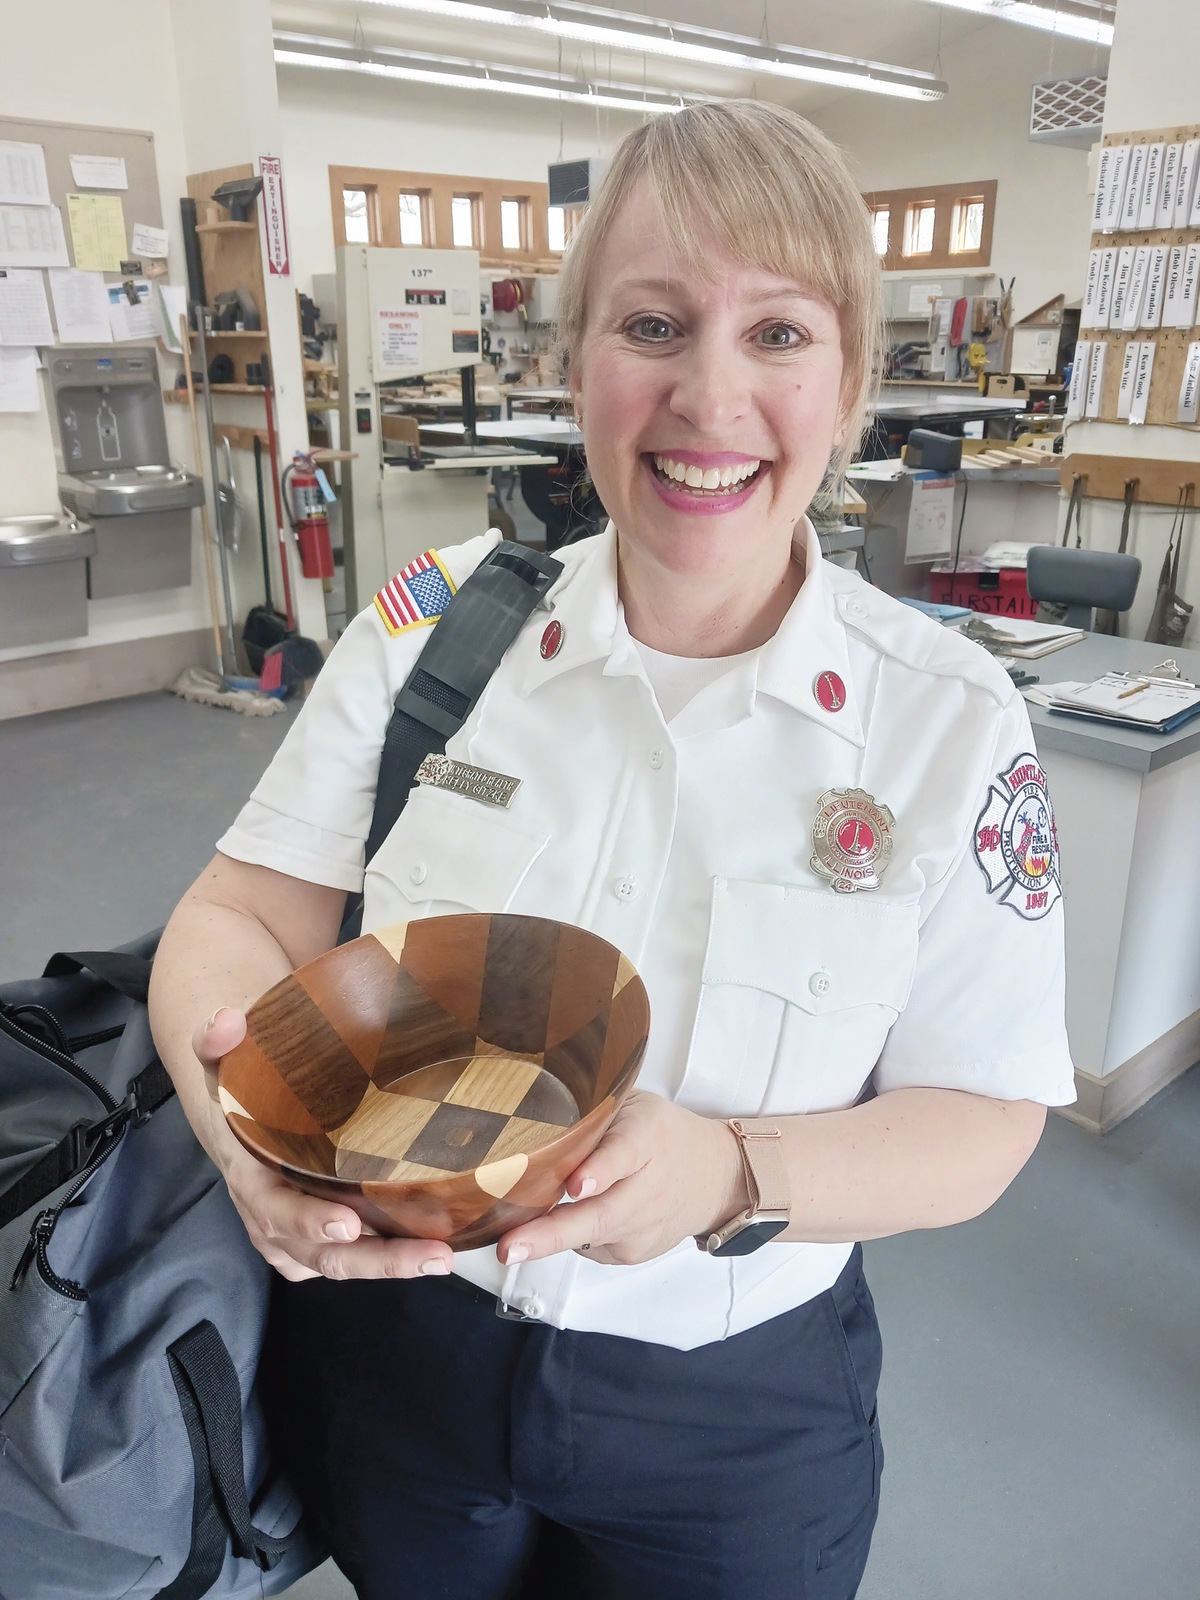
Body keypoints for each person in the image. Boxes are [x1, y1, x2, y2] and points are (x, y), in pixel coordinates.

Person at [148, 100, 1075, 1600]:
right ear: (575, 364)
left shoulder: (948, 728)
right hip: (407, 1364)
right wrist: (236, 1142)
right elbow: (235, 919)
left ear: (848, 387)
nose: (709, 399)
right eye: (651, 323)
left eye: (777, 334)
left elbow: (986, 1117)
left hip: (739, 1414)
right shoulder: (433, 630)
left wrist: (726, 1169)